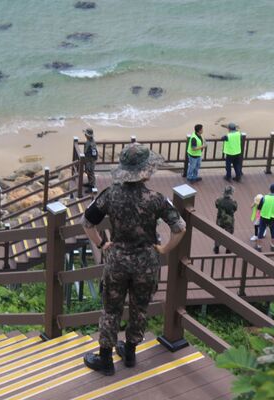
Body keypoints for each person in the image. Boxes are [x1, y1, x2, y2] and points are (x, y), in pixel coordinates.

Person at [81, 143, 186, 376]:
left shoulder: (110, 195)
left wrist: (101, 243)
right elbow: (179, 228)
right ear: (146, 171)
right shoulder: (156, 199)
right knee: (139, 309)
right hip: (146, 264)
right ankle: (129, 354)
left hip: (117, 261)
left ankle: (106, 359)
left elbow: (87, 223)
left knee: (111, 310)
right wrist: (164, 248)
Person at [256, 184, 274, 252]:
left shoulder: (264, 198)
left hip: (264, 217)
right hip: (273, 218)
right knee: (273, 231)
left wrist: (258, 216)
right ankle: (273, 246)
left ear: (269, 189)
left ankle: (259, 247)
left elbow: (259, 208)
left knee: (261, 231)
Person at [214, 185, 238, 253]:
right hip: (229, 221)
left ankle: (216, 248)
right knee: (229, 234)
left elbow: (216, 205)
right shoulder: (233, 202)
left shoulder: (219, 200)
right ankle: (228, 249)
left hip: (220, 220)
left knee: (218, 233)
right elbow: (235, 209)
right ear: (231, 193)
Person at [83, 128, 99, 192]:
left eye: (86, 134)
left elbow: (94, 154)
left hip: (91, 161)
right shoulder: (88, 141)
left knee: (91, 172)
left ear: (88, 136)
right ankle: (89, 183)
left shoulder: (92, 144)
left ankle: (92, 186)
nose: (85, 135)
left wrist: (90, 162)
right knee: (88, 172)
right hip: (88, 160)